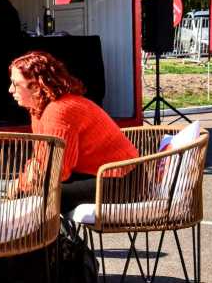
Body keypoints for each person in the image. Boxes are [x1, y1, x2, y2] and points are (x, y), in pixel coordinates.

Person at [8, 50, 138, 214]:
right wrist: (28, 176)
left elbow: (58, 171)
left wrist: (21, 184)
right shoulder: (38, 109)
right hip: (95, 175)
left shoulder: (59, 111)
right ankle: (60, 239)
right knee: (29, 192)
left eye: (15, 84)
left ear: (36, 86)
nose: (10, 90)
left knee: (34, 199)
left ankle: (59, 241)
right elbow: (41, 160)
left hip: (122, 181)